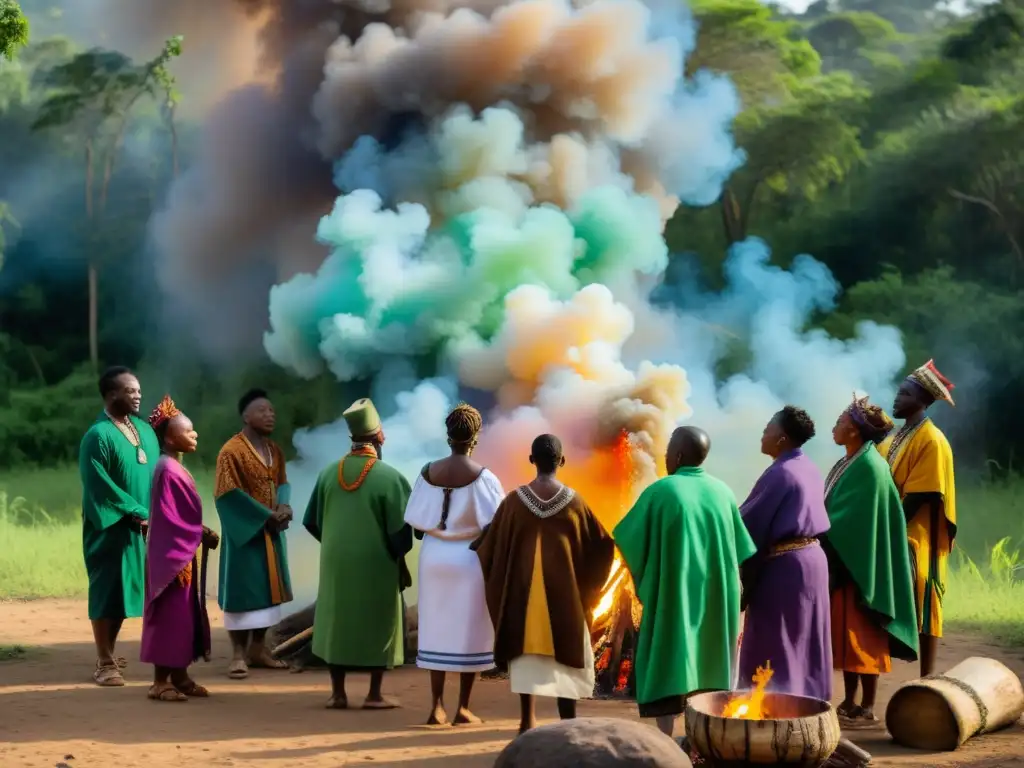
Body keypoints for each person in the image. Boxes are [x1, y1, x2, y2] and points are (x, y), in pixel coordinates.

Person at [614, 426, 756, 738]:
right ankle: (704, 739)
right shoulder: (723, 491)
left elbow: (627, 539)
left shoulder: (661, 491)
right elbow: (742, 548)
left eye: (668, 450)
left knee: (671, 657)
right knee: (710, 657)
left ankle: (666, 740)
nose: (665, 456)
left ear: (677, 455)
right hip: (718, 592)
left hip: (676, 593)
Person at [473, 434, 615, 735]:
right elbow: (602, 545)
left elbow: (493, 544)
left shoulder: (513, 502)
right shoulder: (575, 502)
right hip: (566, 604)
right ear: (562, 461)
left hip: (523, 603)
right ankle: (569, 721)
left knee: (525, 657)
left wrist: (482, 541)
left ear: (531, 460)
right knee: (567, 657)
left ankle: (527, 719)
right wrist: (588, 590)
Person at [303, 398, 413, 710]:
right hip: (376, 563)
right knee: (379, 620)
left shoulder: (328, 473)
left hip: (336, 562)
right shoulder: (389, 476)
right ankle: (374, 694)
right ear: (378, 438)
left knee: (337, 619)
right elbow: (401, 533)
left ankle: (337, 694)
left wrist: (336, 543)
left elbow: (311, 521)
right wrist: (397, 554)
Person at [404, 404, 505, 725]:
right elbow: (496, 525)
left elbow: (417, 525)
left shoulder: (426, 472)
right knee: (470, 631)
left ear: (448, 435)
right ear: (475, 437)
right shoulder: (484, 477)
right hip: (469, 559)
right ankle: (462, 708)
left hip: (433, 558)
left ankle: (435, 707)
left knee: (435, 628)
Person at [824, 396, 918, 725]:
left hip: (864, 566)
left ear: (854, 431)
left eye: (840, 422)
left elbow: (849, 520)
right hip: (848, 561)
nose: (835, 426)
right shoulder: (850, 460)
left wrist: (818, 529)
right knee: (847, 637)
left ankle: (868, 704)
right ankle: (850, 700)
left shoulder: (868, 466)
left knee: (863, 636)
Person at [738, 406, 832, 701]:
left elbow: (748, 524)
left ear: (781, 438)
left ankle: (773, 706)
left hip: (786, 568)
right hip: (813, 561)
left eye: (768, 429)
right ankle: (809, 703)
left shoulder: (780, 473)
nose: (763, 434)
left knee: (776, 638)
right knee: (805, 639)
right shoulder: (807, 465)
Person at [79, 366, 160, 687]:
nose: (138, 395)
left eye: (139, 390)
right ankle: (104, 661)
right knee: (107, 591)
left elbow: (157, 474)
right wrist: (136, 511)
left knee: (127, 593)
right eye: (130, 390)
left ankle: (110, 652)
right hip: (111, 526)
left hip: (142, 527)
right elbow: (99, 485)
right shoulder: (97, 436)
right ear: (111, 394)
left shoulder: (144, 430)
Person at [140, 395, 221, 702]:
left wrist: (199, 532)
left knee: (183, 617)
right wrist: (200, 533)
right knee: (169, 617)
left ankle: (181, 676)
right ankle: (160, 682)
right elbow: (170, 519)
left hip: (181, 555)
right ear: (171, 438)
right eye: (189, 432)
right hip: (170, 558)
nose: (195, 435)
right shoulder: (166, 469)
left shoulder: (172, 466)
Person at [880, 360, 957, 677]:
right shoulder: (898, 435)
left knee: (926, 600)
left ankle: (928, 678)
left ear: (922, 400)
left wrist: (887, 528)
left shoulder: (932, 439)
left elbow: (922, 494)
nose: (897, 399)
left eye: (904, 393)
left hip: (918, 535)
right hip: (893, 527)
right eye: (898, 392)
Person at [213, 388, 293, 679]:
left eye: (272, 410)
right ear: (246, 415)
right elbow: (226, 494)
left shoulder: (274, 450)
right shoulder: (231, 451)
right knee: (242, 591)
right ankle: (237, 654)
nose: (269, 414)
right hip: (244, 534)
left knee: (268, 590)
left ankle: (258, 648)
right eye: (262, 410)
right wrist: (265, 515)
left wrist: (284, 505)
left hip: (271, 533)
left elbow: (283, 482)